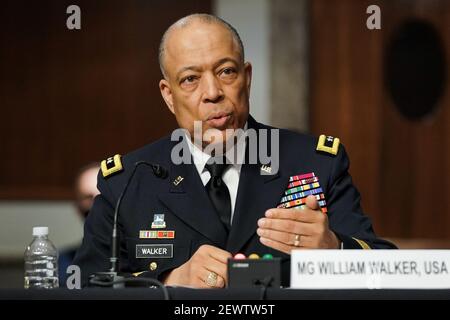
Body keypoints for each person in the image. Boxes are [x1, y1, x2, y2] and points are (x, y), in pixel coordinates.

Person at [73, 14, 396, 288]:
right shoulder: (128, 181)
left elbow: (389, 271)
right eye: (190, 79)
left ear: (247, 77)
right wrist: (169, 282)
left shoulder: (314, 161)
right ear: (168, 95)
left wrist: (334, 250)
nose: (212, 93)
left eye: (226, 71)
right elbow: (85, 286)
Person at [58, 162, 100, 284]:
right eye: (88, 197)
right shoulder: (63, 263)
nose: (97, 204)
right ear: (78, 208)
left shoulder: (142, 260)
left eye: (103, 195)